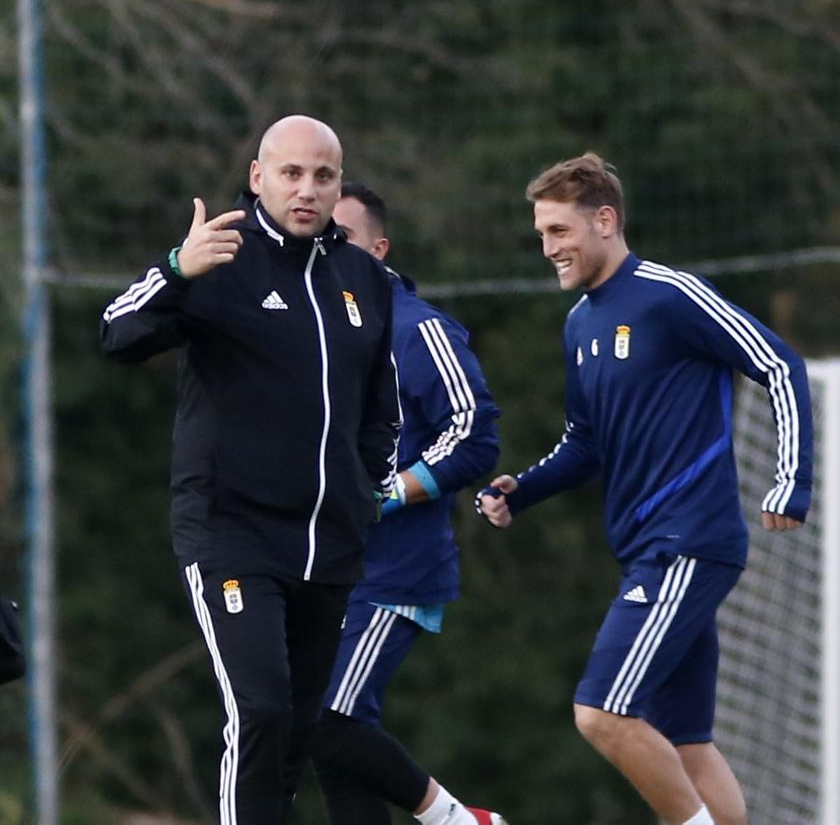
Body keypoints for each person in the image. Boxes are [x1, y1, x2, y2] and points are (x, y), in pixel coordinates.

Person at [476, 153, 813, 825]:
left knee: (601, 713)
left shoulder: (669, 295)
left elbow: (780, 364)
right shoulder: (579, 325)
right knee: (687, 744)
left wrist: (791, 481)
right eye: (541, 235)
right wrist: (523, 490)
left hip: (688, 541)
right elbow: (586, 443)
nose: (548, 249)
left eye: (559, 231)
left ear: (605, 220)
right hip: (647, 551)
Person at [101, 115, 401, 825]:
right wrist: (176, 269)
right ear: (259, 177)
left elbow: (378, 409)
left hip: (327, 546)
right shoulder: (220, 260)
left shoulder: (364, 279)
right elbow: (116, 333)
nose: (307, 190)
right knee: (260, 709)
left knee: (296, 733)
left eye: (322, 176)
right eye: (291, 174)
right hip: (232, 536)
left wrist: (360, 495)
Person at [309, 183, 504, 825]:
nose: (328, 249)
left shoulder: (418, 330)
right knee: (335, 747)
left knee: (328, 719)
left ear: (380, 248)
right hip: (328, 570)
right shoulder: (316, 330)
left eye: (344, 237)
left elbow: (475, 436)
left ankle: (458, 820)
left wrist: (381, 498)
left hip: (393, 573)